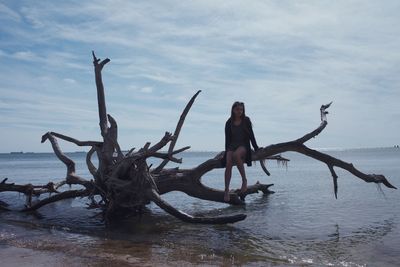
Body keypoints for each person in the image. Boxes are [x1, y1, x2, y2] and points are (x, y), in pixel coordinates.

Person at [222, 101, 260, 202]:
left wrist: (256, 148)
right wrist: (226, 152)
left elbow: (251, 135)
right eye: (237, 109)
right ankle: (226, 190)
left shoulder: (246, 120)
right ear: (233, 110)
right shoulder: (228, 122)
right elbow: (227, 139)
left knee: (236, 155)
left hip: (243, 145)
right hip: (231, 145)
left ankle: (244, 180)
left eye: (241, 109)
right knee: (228, 162)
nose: (240, 111)